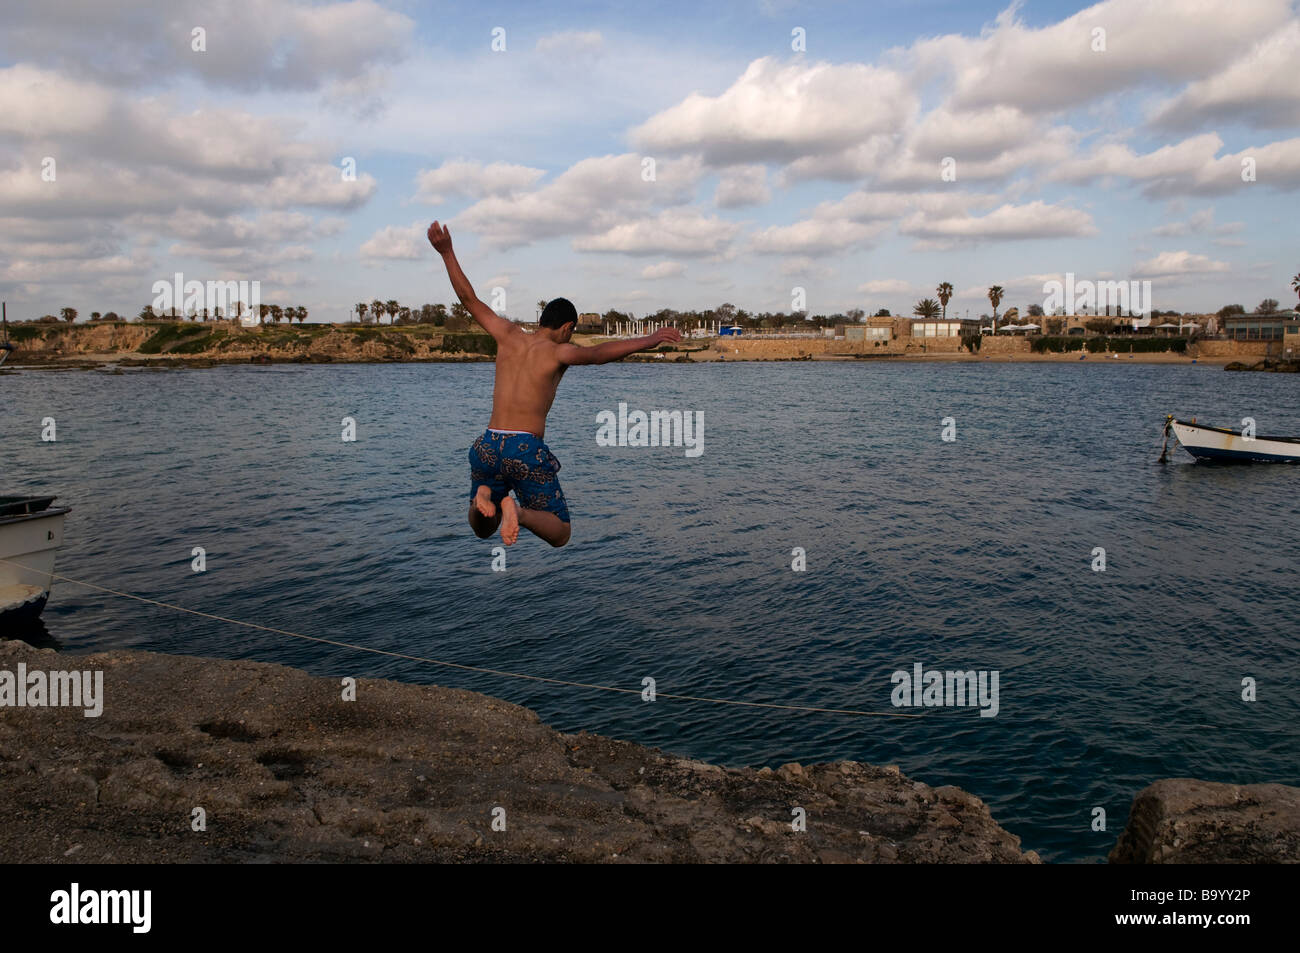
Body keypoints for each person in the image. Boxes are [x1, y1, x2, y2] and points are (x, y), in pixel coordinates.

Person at [428, 221, 682, 547]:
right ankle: (516, 512)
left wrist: (447, 252)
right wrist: (648, 340)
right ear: (567, 327)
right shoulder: (558, 351)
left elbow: (468, 298)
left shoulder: (506, 334)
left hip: (489, 444)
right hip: (524, 447)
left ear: (539, 321)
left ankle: (486, 494)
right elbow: (598, 354)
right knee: (561, 532)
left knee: (482, 528)